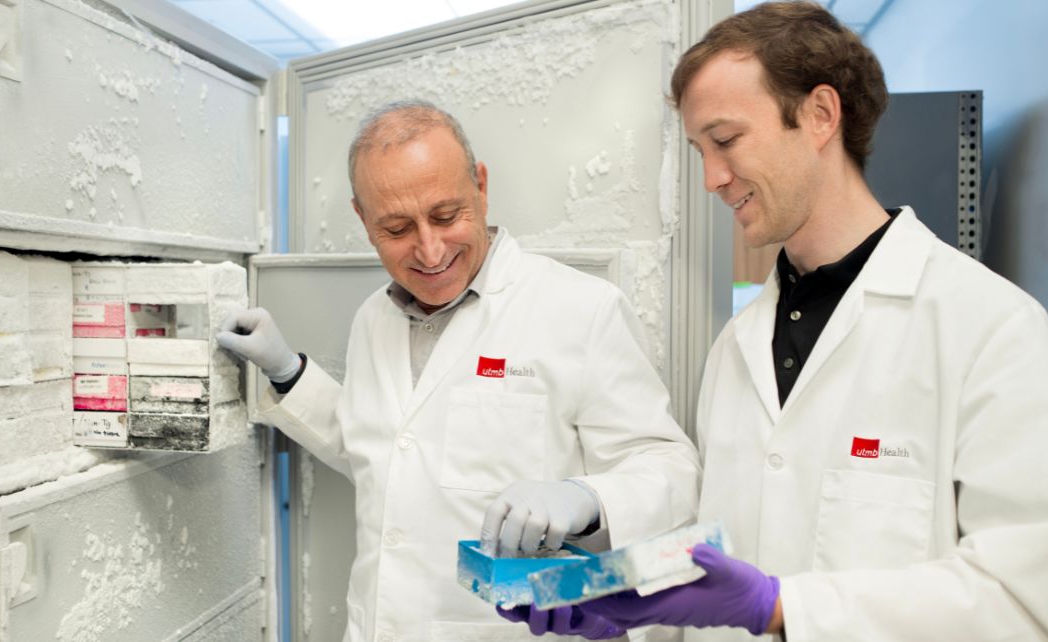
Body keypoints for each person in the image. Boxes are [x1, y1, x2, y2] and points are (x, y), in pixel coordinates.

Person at [500, 1, 1048, 640]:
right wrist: (628, 614)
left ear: (820, 115)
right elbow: (718, 575)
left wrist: (782, 608)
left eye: (726, 140)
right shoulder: (737, 346)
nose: (711, 177)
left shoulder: (993, 331)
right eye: (700, 150)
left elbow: (1019, 601)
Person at [217, 100, 701, 641]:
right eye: (397, 228)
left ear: (481, 186)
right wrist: (287, 372)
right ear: (362, 218)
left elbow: (671, 471)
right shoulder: (374, 318)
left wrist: (585, 500)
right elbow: (382, 457)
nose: (429, 249)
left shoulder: (581, 310)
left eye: (446, 216)